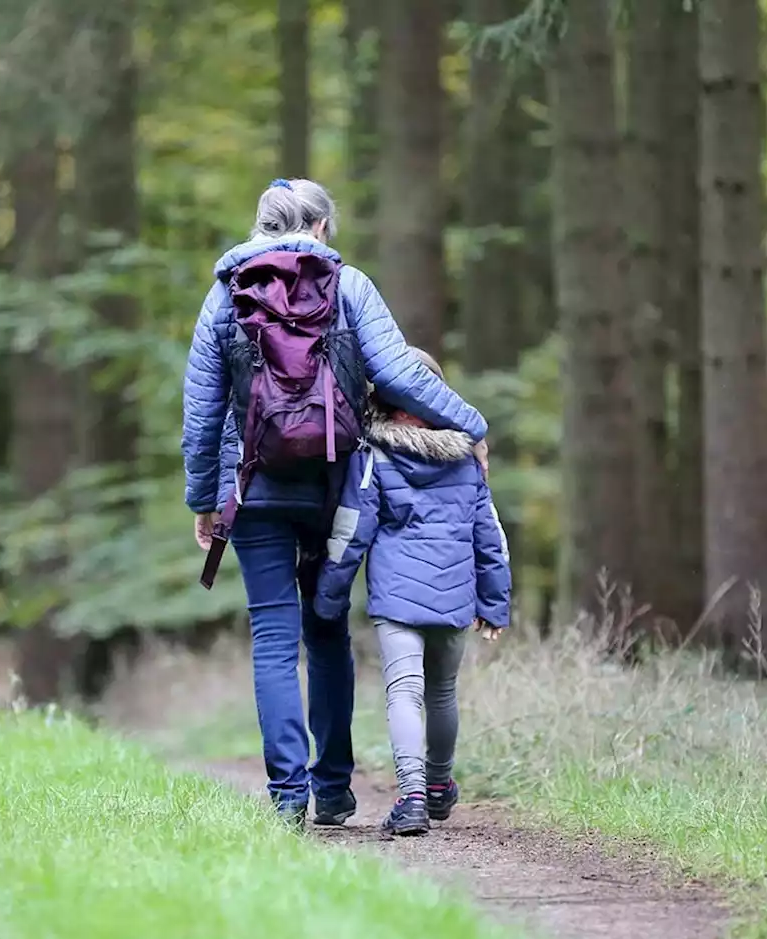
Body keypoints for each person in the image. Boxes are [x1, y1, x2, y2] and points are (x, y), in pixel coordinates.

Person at [181, 178, 488, 828]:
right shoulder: (350, 286)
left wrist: (204, 497)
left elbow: (202, 411)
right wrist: (471, 425)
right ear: (320, 227)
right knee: (326, 629)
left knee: (271, 635)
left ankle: (287, 796)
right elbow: (402, 373)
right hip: (335, 485)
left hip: (254, 485)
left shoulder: (223, 295)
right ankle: (334, 789)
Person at [313, 348, 510, 836]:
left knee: (406, 692)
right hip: (455, 593)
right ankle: (440, 786)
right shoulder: (467, 458)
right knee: (442, 692)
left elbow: (351, 530)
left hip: (398, 598)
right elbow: (490, 536)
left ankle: (414, 796)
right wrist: (495, 602)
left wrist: (329, 596)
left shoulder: (374, 455)